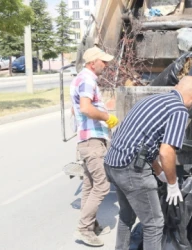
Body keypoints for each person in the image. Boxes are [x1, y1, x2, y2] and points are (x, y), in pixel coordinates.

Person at [104, 76, 192, 250]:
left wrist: (159, 173)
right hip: (130, 170)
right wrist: (172, 184)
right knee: (154, 224)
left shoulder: (153, 99)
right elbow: (166, 151)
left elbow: (146, 142)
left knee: (127, 216)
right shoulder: (178, 110)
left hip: (113, 163)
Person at [70, 46, 119, 247]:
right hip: (92, 141)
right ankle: (84, 228)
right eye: (103, 61)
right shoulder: (88, 80)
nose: (106, 65)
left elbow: (76, 112)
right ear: (92, 63)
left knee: (90, 185)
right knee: (102, 184)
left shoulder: (81, 79)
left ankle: (90, 225)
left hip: (87, 139)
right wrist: (107, 117)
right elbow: (85, 108)